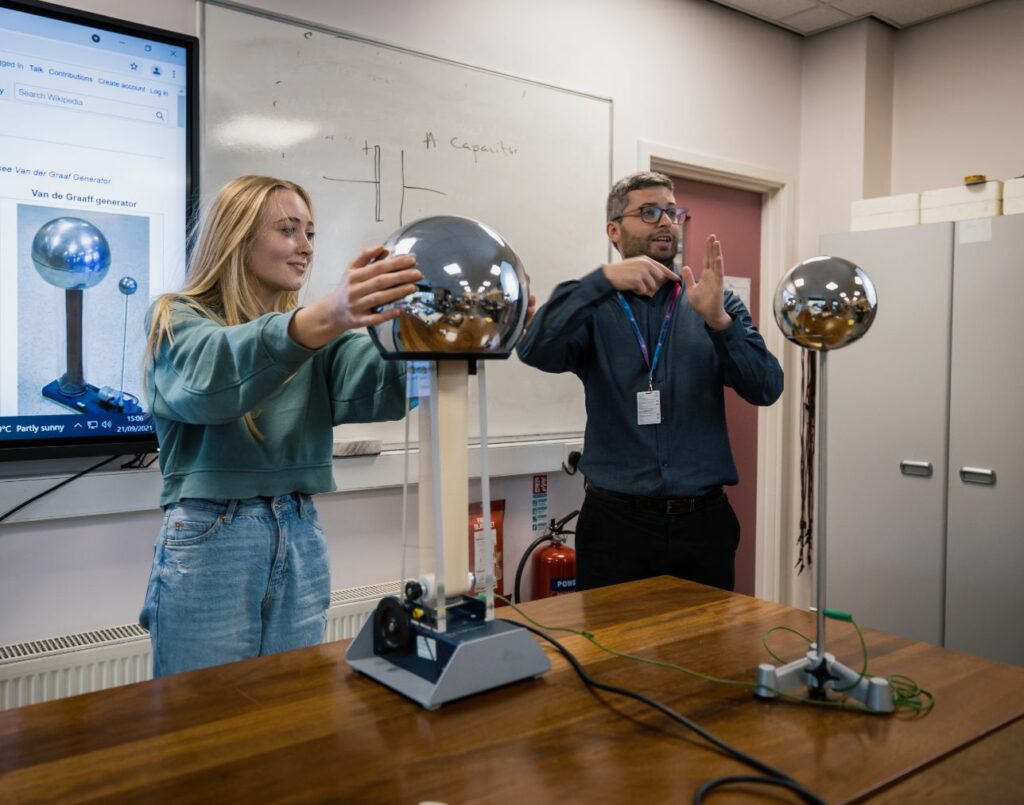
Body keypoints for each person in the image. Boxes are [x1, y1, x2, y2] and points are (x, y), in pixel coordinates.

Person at [139, 175, 422, 677]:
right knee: (203, 720)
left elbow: (385, 385)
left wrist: (450, 334)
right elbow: (214, 380)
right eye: (289, 230)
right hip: (212, 537)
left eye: (310, 233)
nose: (306, 248)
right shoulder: (177, 318)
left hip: (300, 530)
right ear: (237, 237)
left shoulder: (317, 336)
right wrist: (324, 318)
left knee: (292, 706)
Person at [516, 171, 783, 592]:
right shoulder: (596, 308)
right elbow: (534, 348)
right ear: (614, 230)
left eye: (672, 212)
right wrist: (599, 281)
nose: (666, 221)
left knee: (706, 655)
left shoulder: (715, 303)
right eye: (649, 212)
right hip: (616, 526)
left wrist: (719, 322)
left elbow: (767, 387)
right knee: (610, 653)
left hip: (703, 524)